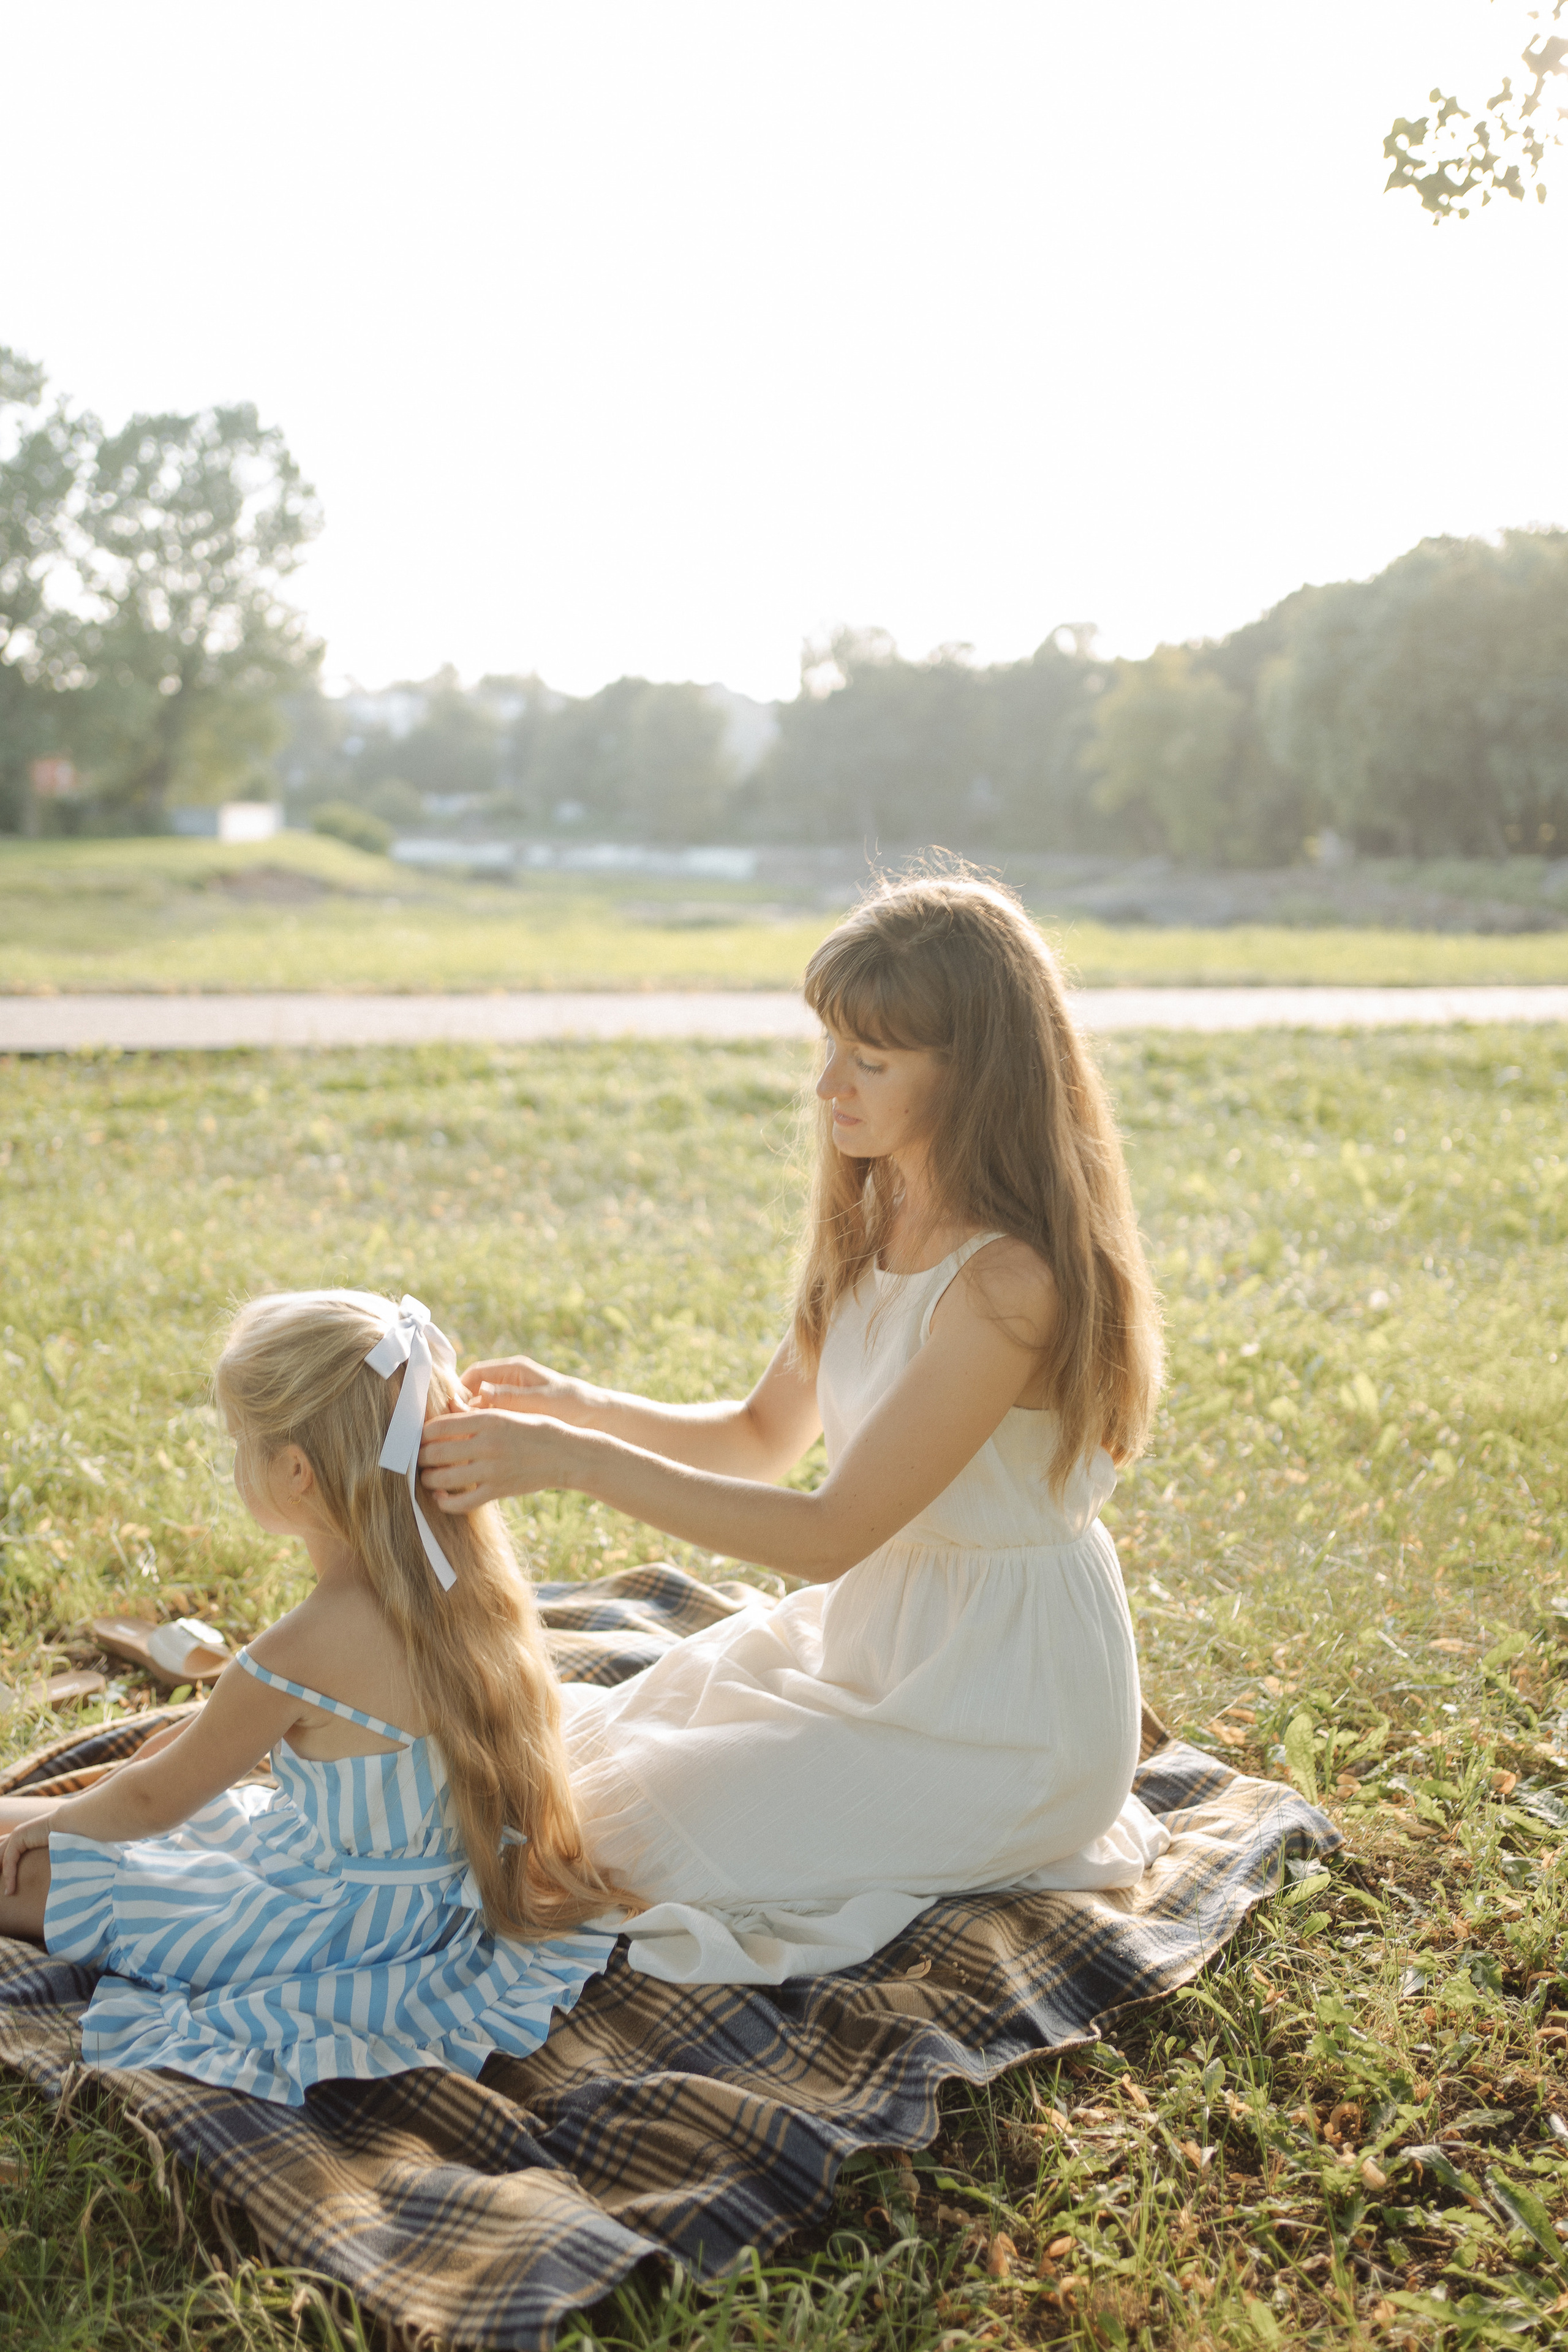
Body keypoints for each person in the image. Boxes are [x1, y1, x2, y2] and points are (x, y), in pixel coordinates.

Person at [418, 873, 1170, 1986]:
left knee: (593, 1845)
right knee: (542, 1763)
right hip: (878, 1647)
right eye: (829, 1047)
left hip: (1003, 1712)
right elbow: (757, 1437)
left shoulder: (1008, 1283)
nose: (828, 1086)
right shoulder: (880, 1223)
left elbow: (826, 1535)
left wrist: (574, 1464)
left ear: (977, 1077)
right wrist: (578, 1404)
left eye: (870, 1062)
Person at [0, 1291, 617, 2106]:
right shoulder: (469, 1591)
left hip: (327, 1929)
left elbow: (153, 1798)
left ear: (296, 1472)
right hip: (424, 1907)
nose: (234, 1461)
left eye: (240, 1443)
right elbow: (182, 1768)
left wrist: (52, 1824)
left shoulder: (301, 1649)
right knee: (35, 1826)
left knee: (25, 1861)